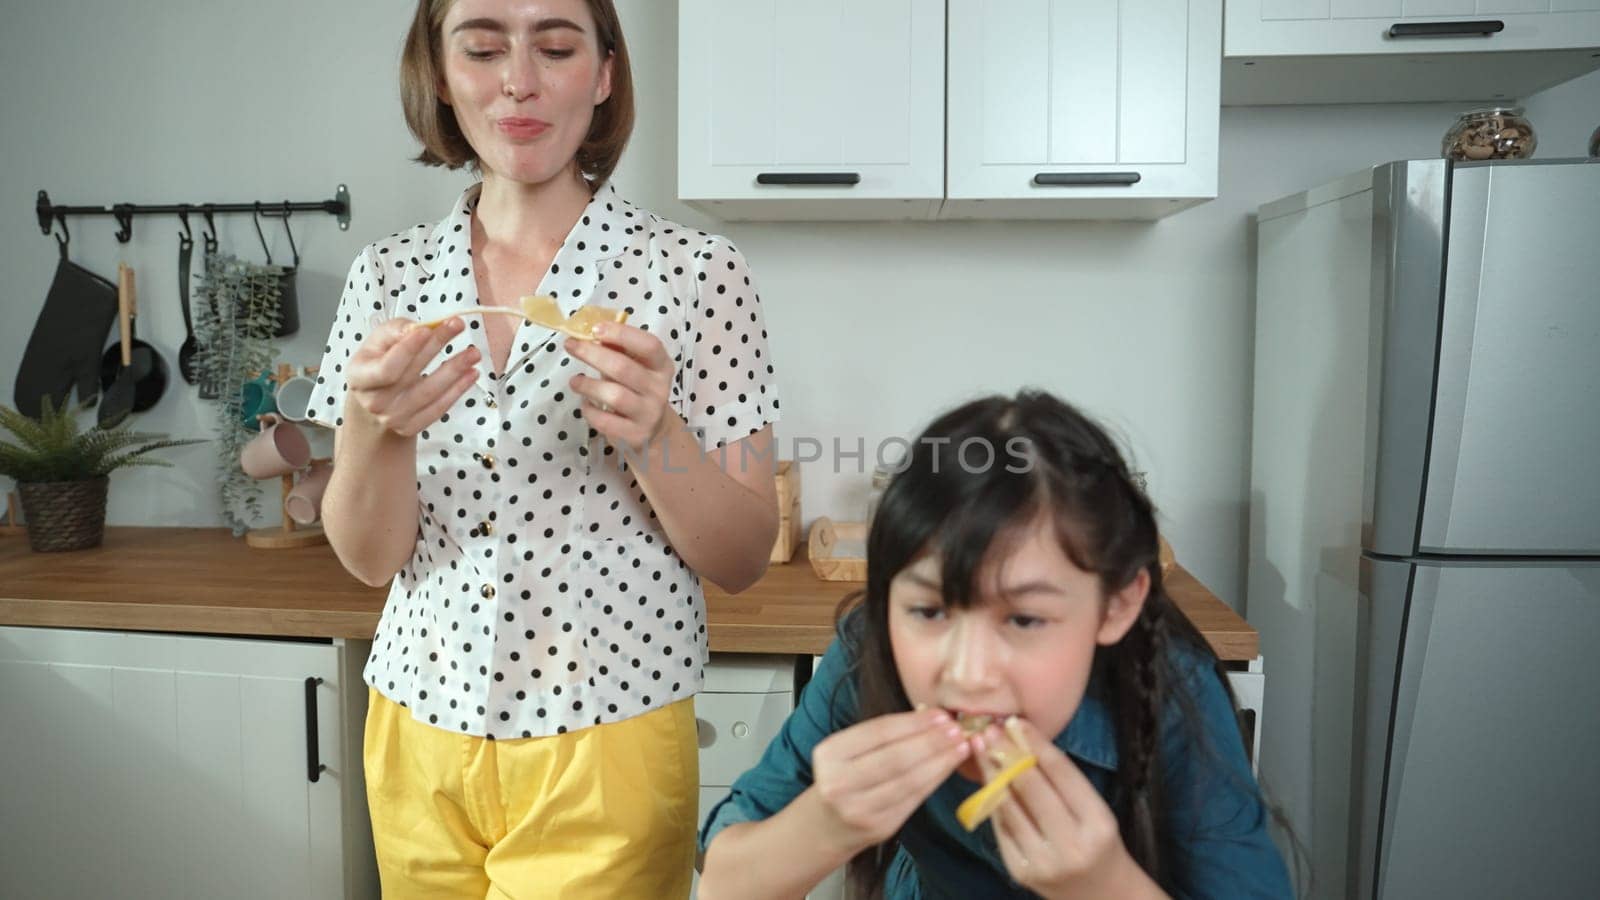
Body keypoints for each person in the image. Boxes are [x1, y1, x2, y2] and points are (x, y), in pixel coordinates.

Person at [304, 1, 781, 895]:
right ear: (441, 78)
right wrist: (374, 433)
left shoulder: (698, 273)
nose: (518, 79)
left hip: (612, 733)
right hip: (418, 731)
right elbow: (369, 562)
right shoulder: (388, 277)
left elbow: (745, 555)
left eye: (555, 47)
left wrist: (657, 436)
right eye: (482, 49)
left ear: (603, 75)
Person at [696, 391, 1293, 899]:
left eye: (1026, 620)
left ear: (1116, 606)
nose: (970, 672)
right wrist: (824, 823)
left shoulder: (1173, 688)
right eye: (928, 611)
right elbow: (724, 881)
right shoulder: (867, 653)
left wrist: (1103, 883)